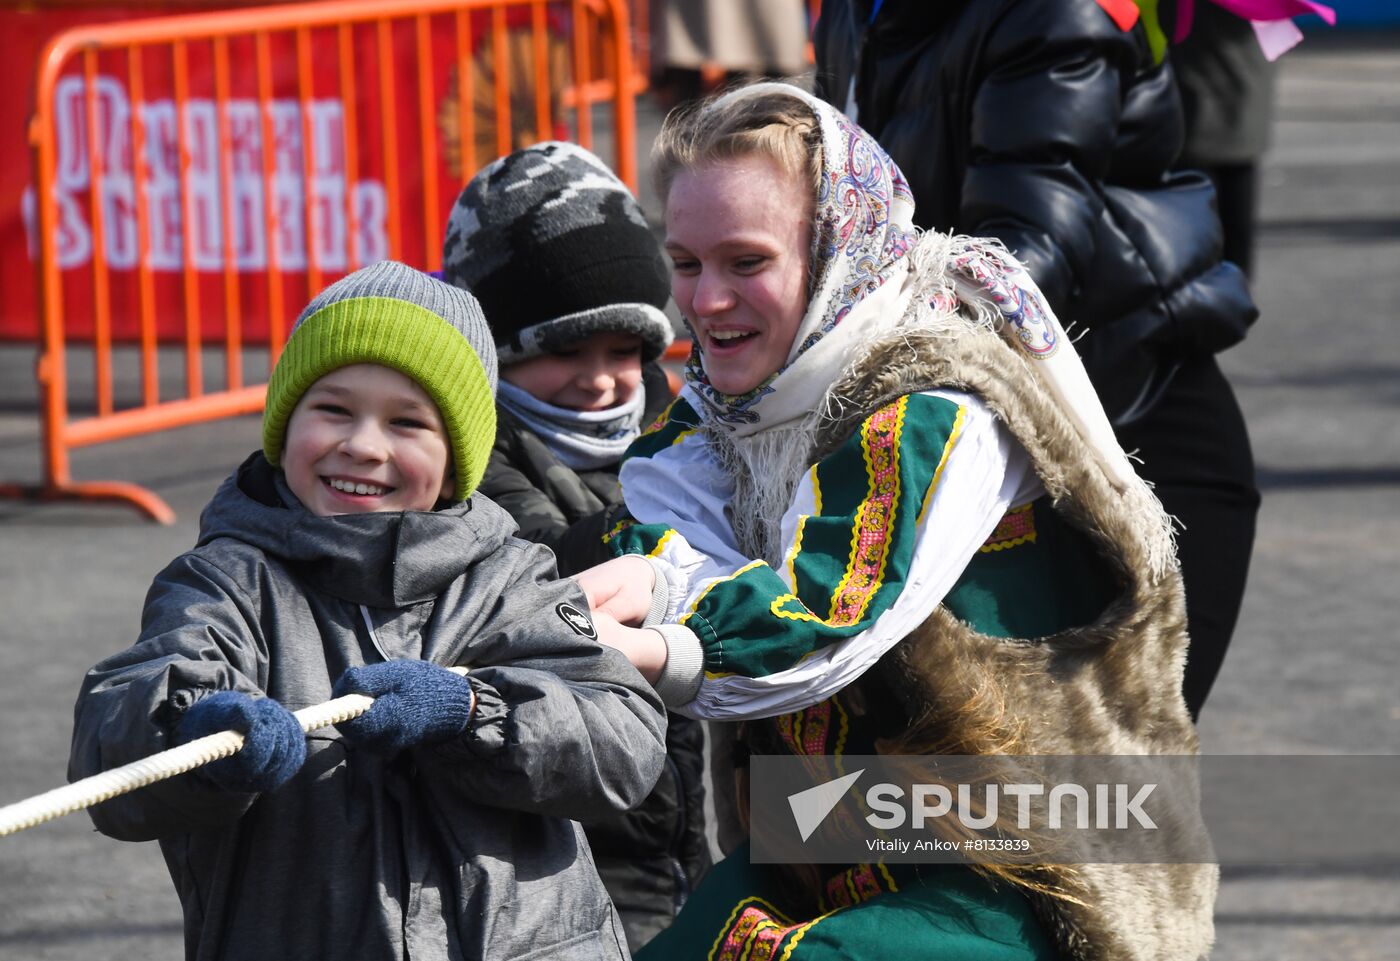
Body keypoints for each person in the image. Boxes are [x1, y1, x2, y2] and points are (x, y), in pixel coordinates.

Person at [578, 83, 1216, 960]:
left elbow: (821, 621)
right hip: (828, 838)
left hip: (1016, 865)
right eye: (686, 264)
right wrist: (638, 584)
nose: (708, 301)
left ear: (839, 249)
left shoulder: (936, 398)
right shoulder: (726, 414)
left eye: (747, 262)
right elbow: (665, 527)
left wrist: (650, 640)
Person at [67, 260, 667, 961]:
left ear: (456, 461)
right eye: (333, 410)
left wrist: (475, 713)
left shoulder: (513, 577)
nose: (364, 444)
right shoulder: (222, 582)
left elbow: (625, 743)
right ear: (285, 423)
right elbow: (117, 751)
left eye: (408, 421)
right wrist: (195, 735)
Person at [812, 0, 1261, 718]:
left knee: (1094, 801)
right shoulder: (854, 11)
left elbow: (1020, 261)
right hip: (962, 437)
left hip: (1123, 442)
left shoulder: (1053, 11)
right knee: (940, 813)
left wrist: (841, 345)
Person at [441, 141, 710, 949]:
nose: (601, 379)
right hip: (561, 833)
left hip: (671, 820)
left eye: (623, 350)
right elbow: (552, 567)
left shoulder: (678, 425)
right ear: (496, 351)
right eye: (565, 351)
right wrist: (699, 503)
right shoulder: (470, 457)